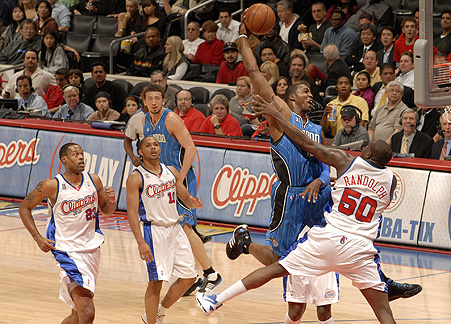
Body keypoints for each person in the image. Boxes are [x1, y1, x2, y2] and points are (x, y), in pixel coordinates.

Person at [197, 95, 400, 324]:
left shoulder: (347, 161)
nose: (363, 149)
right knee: (383, 312)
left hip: (329, 238)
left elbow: (308, 143)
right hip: (360, 249)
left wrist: (275, 116)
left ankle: (215, 300)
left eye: (367, 148)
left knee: (277, 268)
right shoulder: (391, 180)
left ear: (369, 155)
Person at [232, 29, 338, 324]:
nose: (309, 95)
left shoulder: (316, 129)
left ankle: (321, 302)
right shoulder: (281, 117)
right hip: (290, 196)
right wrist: (243, 40)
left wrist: (322, 180)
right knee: (283, 261)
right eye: (304, 91)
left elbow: (327, 163)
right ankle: (246, 244)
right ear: (290, 98)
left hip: (319, 198)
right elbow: (254, 73)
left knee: (324, 255)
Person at [18, 143, 116, 324]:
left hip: (92, 250)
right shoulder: (51, 185)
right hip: (67, 252)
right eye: (75, 154)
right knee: (87, 312)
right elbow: (24, 207)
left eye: (82, 153)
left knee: (76, 315)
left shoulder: (94, 180)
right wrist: (37, 237)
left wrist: (111, 200)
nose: (81, 157)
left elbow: (107, 211)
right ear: (64, 159)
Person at [142, 83, 222, 295]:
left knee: (185, 226)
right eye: (150, 99)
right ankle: (191, 276)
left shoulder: (171, 119)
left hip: (179, 179)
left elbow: (191, 147)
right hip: (164, 182)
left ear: (163, 100)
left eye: (157, 98)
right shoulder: (145, 121)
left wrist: (181, 177)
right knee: (178, 228)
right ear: (144, 102)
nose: (154, 102)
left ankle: (210, 274)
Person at [126, 136, 203, 324]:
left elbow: (184, 197)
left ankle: (158, 312)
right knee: (156, 282)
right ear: (140, 152)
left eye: (155, 145)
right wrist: (140, 242)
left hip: (175, 229)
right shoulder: (136, 177)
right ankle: (151, 321)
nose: (153, 148)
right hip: (154, 232)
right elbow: (132, 213)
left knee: (189, 277)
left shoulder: (171, 171)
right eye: (148, 146)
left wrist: (193, 202)